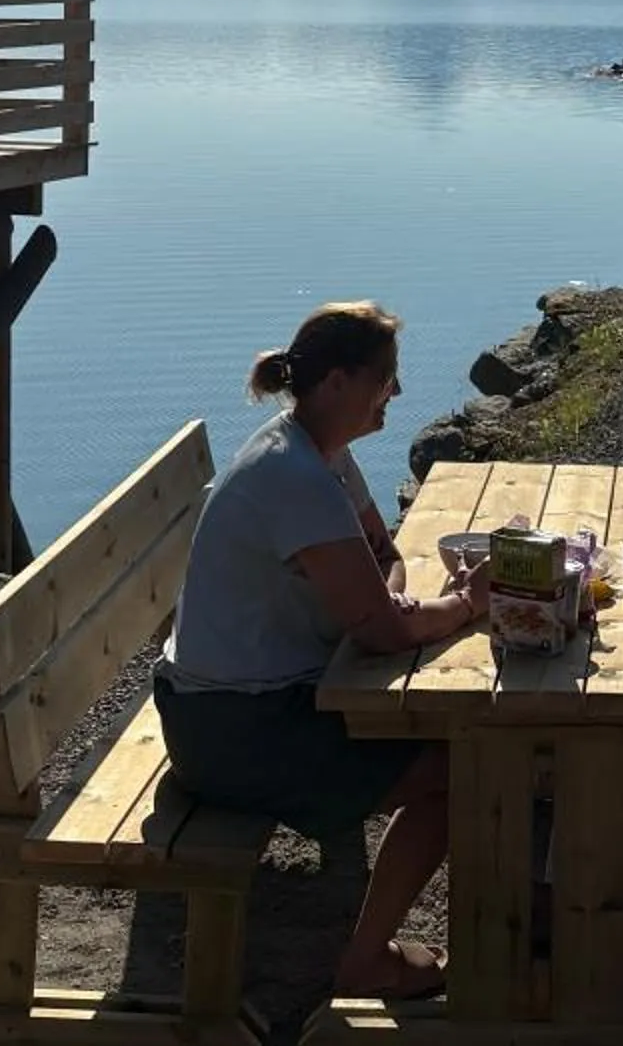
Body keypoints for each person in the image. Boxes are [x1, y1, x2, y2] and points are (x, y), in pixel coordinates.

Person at [154, 301, 484, 1001]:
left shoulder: (320, 457)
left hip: (239, 703)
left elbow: (384, 559)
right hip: (233, 732)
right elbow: (382, 630)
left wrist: (381, 599)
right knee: (466, 771)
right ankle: (367, 961)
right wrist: (466, 605)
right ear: (337, 382)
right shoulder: (295, 480)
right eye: (385, 379)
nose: (395, 393)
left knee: (457, 736)